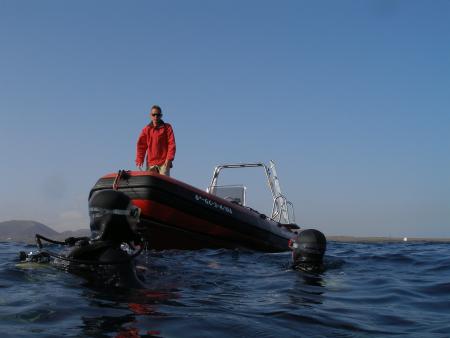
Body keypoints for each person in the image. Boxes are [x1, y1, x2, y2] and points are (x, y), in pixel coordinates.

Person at [135, 105, 176, 176]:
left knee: (163, 182)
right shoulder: (146, 129)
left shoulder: (167, 127)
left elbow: (171, 144)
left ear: (161, 116)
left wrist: (169, 159)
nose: (156, 117)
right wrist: (139, 159)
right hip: (151, 162)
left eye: (158, 115)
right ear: (150, 116)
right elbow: (141, 145)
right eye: (154, 115)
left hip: (164, 162)